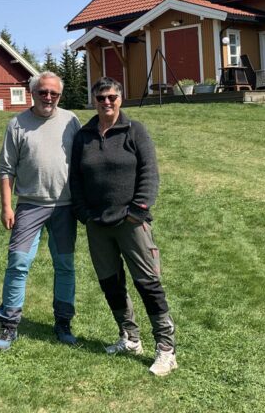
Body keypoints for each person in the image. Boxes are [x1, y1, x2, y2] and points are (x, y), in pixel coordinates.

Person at [69, 76, 177, 376]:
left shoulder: (135, 130)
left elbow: (149, 172)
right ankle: (129, 338)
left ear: (121, 99)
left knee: (148, 284)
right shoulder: (84, 135)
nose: (106, 102)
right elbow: (75, 178)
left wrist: (138, 210)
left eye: (112, 97)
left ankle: (166, 349)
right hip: (97, 224)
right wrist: (83, 213)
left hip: (131, 223)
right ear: (94, 100)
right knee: (110, 283)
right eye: (101, 97)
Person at [0, 71, 82, 351]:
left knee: (65, 266)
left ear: (60, 95)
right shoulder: (17, 124)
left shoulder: (71, 121)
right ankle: (9, 325)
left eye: (54, 93)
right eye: (43, 92)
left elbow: (81, 163)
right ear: (33, 92)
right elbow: (6, 169)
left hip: (64, 207)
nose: (48, 97)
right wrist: (7, 206)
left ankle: (63, 323)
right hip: (30, 206)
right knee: (18, 263)